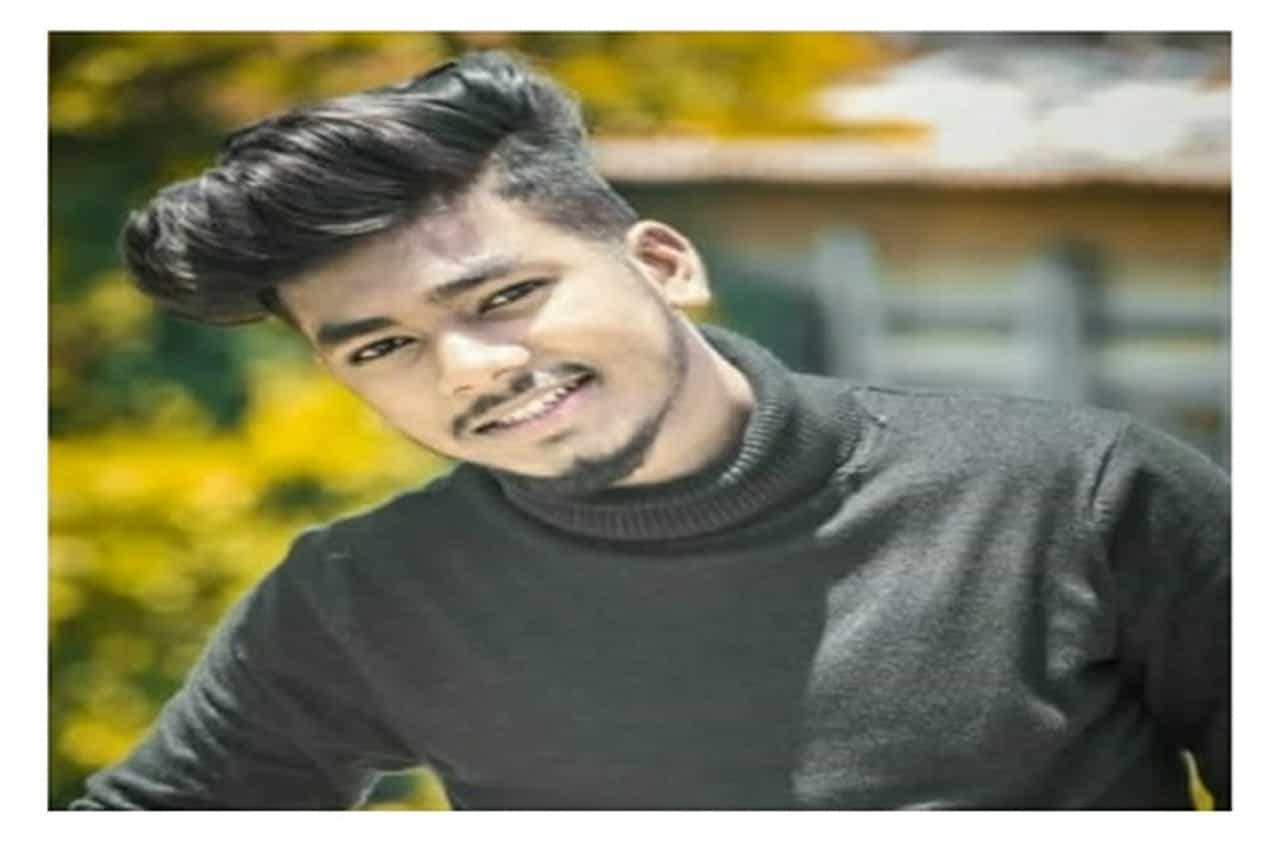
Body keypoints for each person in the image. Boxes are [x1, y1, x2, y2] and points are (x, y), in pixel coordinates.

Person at [70, 50, 1230, 810]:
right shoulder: (365, 595)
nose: (472, 368)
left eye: (504, 295)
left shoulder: (1076, 495)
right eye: (380, 348)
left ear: (664, 264)